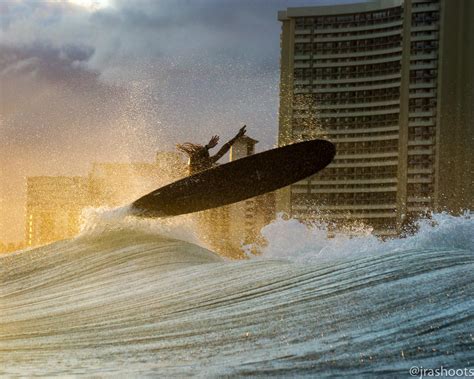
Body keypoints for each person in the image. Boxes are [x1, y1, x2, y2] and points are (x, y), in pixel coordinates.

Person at [177, 125, 247, 175]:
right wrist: (207, 147)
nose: (207, 157)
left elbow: (222, 152)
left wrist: (236, 137)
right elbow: (196, 155)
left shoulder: (207, 162)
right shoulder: (192, 161)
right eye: (205, 155)